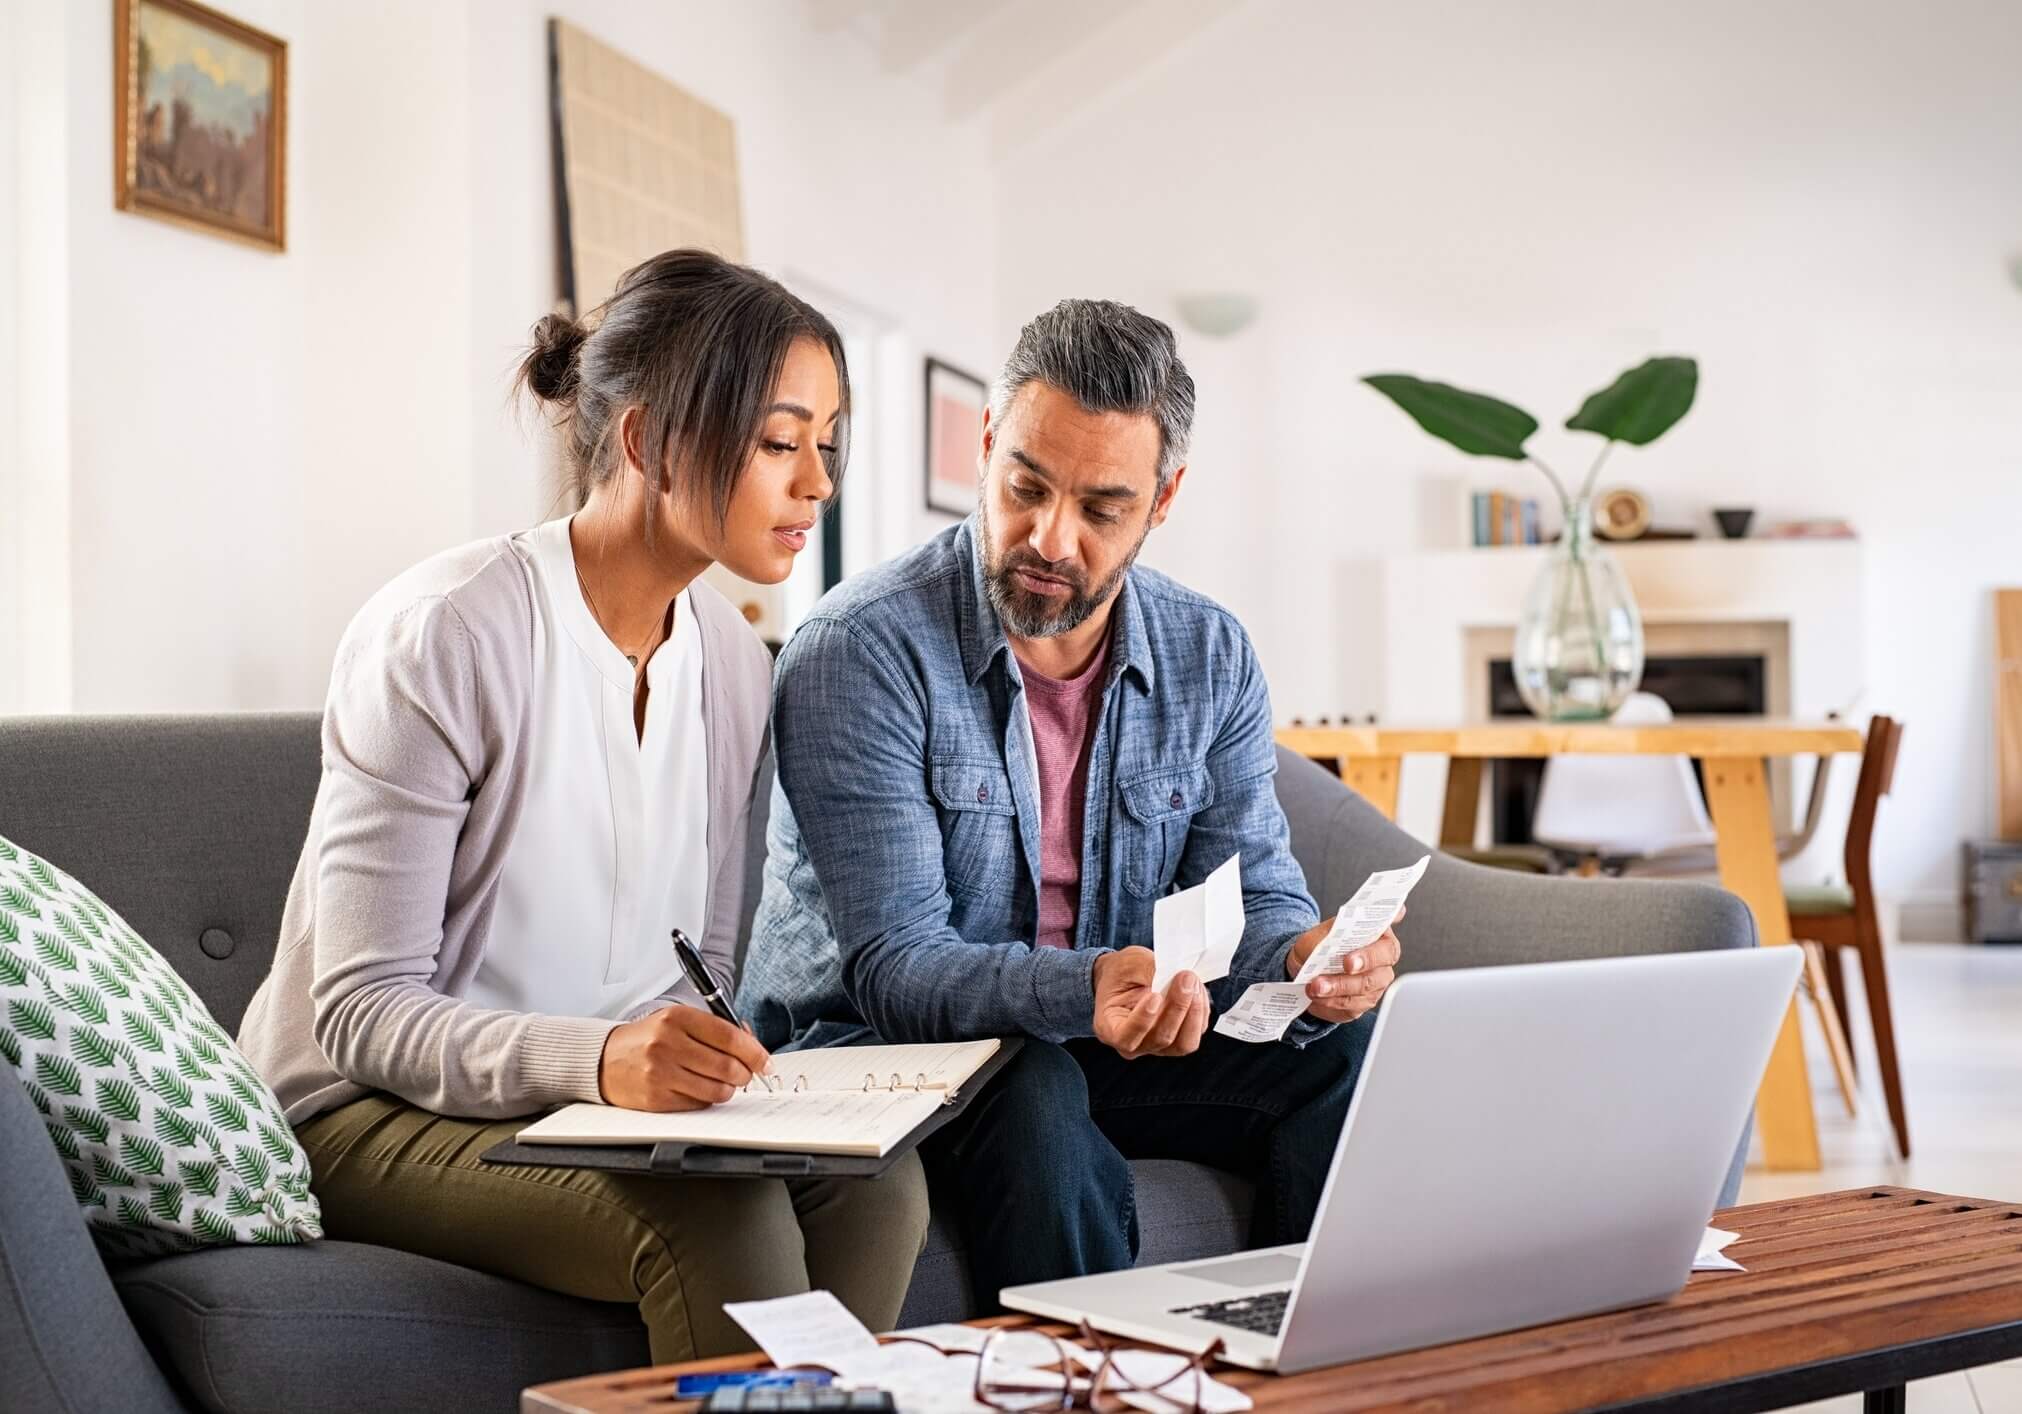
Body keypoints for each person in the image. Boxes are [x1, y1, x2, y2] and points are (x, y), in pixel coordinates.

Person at [237, 249, 929, 1362]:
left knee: (880, 1187)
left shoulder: (740, 668)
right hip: (368, 1112)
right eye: (778, 441)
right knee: (725, 1215)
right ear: (650, 440)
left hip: (594, 1110)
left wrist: (712, 1069)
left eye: (828, 444)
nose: (817, 482)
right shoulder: (448, 634)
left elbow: (695, 962)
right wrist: (602, 1059)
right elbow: (360, 1012)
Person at [739, 298, 1402, 1309]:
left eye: (1100, 509)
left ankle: (1299, 1374)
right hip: (875, 1053)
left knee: (1341, 1056)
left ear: (1162, 499)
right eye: (1026, 487)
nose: (1050, 537)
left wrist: (1304, 959)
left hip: (1095, 1033)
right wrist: (1090, 986)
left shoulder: (1209, 653)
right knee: (1037, 1089)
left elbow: (1257, 890)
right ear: (989, 447)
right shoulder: (861, 651)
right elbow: (895, 970)